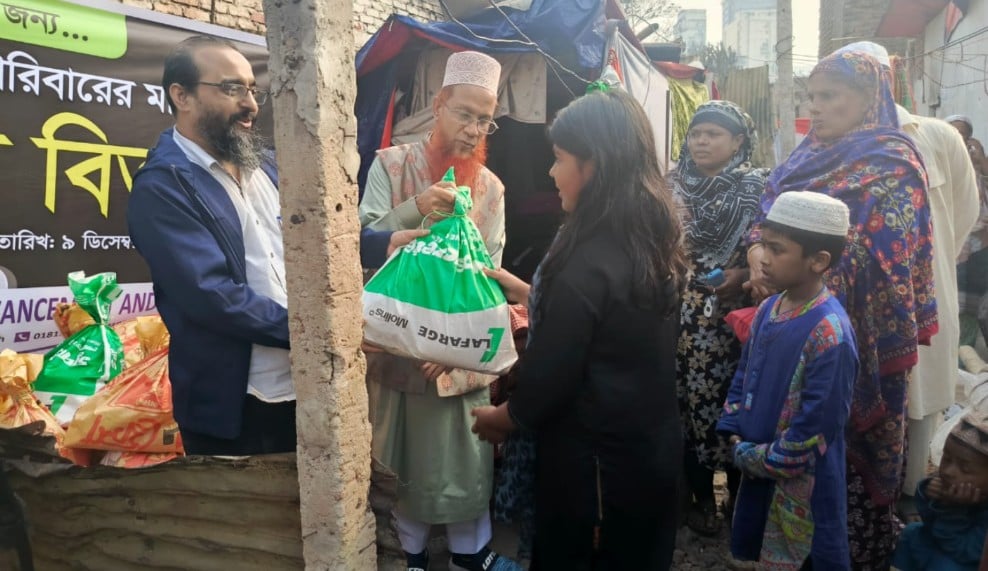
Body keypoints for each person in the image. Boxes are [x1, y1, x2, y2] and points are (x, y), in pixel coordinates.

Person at [128, 36, 412, 455]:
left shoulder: (268, 165)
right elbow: (212, 296)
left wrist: (382, 245)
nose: (250, 105)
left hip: (308, 384)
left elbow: (317, 235)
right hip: (239, 403)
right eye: (231, 89)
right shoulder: (164, 187)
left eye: (251, 89)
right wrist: (317, 331)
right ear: (181, 96)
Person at [471, 88, 688, 570]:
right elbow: (612, 328)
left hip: (594, 471)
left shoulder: (583, 260)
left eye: (559, 158)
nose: (551, 174)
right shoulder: (649, 238)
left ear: (595, 166)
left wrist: (504, 417)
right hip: (646, 450)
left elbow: (554, 372)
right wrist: (529, 292)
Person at [745, 50, 936, 570]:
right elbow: (767, 211)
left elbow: (891, 259)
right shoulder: (804, 158)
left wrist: (803, 270)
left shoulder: (895, 164)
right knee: (789, 435)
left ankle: (851, 556)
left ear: (869, 97)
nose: (816, 108)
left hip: (855, 337)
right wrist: (759, 250)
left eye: (829, 96)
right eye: (812, 96)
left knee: (846, 453)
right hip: (790, 329)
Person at [356, 51, 517, 571]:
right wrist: (416, 208)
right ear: (438, 103)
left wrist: (452, 348)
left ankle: (471, 557)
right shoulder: (390, 165)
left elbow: (488, 278)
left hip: (457, 362)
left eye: (485, 120)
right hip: (396, 356)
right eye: (465, 114)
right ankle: (410, 558)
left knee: (462, 471)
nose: (474, 130)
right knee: (400, 471)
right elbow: (359, 244)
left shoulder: (491, 189)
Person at [835, 42, 980, 521]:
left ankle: (909, 509)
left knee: (919, 405)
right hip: (849, 300)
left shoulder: (936, 136)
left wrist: (918, 269)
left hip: (922, 297)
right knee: (847, 402)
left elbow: (962, 213)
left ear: (888, 76)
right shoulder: (827, 140)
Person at [718, 191, 858, 570]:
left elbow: (817, 428)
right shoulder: (769, 308)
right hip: (757, 463)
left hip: (800, 483)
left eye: (776, 249)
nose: (763, 257)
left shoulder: (830, 334)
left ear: (818, 260)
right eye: (763, 244)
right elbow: (745, 373)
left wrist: (758, 458)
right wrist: (733, 428)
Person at [672, 99, 768, 535]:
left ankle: (737, 498)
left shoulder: (758, 187)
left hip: (733, 321)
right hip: (677, 317)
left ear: (738, 141)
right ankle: (698, 497)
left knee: (736, 401)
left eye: (713, 134)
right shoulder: (670, 186)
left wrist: (744, 274)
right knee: (682, 403)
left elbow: (773, 248)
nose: (702, 141)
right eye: (696, 133)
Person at [892, 411, 988, 571]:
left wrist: (953, 509)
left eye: (965, 469)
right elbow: (928, 520)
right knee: (911, 533)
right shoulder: (952, 483)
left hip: (963, 557)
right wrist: (927, 492)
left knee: (944, 566)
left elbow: (964, 551)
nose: (948, 471)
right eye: (947, 459)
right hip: (941, 540)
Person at [948, 114, 988, 348]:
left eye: (962, 134)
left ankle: (966, 352)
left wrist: (981, 159)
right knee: (954, 301)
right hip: (953, 244)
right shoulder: (943, 162)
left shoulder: (977, 166)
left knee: (973, 303)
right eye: (953, 132)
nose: (958, 138)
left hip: (979, 245)